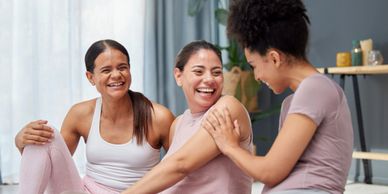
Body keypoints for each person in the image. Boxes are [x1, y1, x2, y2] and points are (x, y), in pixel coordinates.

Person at [202, 0, 354, 194]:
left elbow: (270, 171)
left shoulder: (315, 87)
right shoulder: (297, 99)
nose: (256, 77)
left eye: (254, 65)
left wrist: (229, 146)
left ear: (274, 58)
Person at [14, 39, 175, 194]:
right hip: (87, 191)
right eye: (106, 70)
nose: (117, 75)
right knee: (45, 134)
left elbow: (181, 167)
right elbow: (50, 161)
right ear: (91, 77)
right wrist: (20, 141)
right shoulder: (81, 114)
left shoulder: (158, 117)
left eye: (122, 67)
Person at [121, 40, 253, 194]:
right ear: (178, 76)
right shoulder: (178, 124)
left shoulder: (227, 107)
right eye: (198, 71)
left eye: (216, 72)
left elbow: (180, 165)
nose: (209, 79)